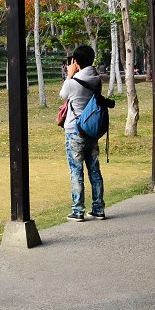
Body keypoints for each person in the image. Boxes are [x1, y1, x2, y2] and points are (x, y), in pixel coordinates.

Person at [59, 44, 106, 221]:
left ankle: (78, 210)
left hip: (74, 131)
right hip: (91, 130)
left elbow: (63, 95)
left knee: (76, 171)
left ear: (75, 62)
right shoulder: (97, 80)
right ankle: (98, 208)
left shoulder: (72, 81)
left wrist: (69, 75)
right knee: (94, 169)